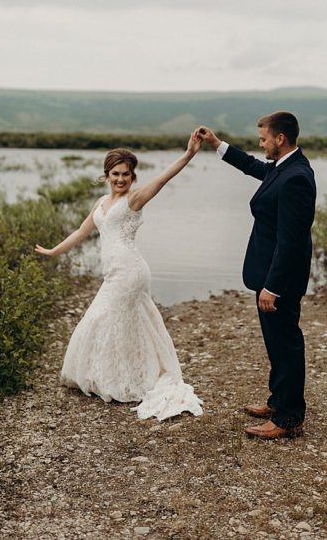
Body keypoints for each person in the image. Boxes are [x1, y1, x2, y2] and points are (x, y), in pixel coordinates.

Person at [35, 135, 204, 420]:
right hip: (113, 272)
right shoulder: (102, 202)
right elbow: (81, 232)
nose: (121, 179)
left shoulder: (134, 199)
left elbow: (162, 180)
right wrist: (54, 251)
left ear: (132, 176)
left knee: (102, 317)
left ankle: (121, 379)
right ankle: (118, 373)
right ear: (107, 174)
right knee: (119, 322)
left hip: (130, 271)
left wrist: (188, 155)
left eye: (126, 174)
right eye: (115, 174)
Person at [197, 113, 316, 439]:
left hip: (280, 281)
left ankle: (289, 419)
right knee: (276, 344)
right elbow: (254, 167)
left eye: (264, 139)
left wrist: (273, 287)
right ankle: (279, 401)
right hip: (269, 275)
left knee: (287, 345)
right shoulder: (283, 168)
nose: (260, 144)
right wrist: (217, 144)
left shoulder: (296, 178)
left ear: (280, 139)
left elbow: (290, 241)